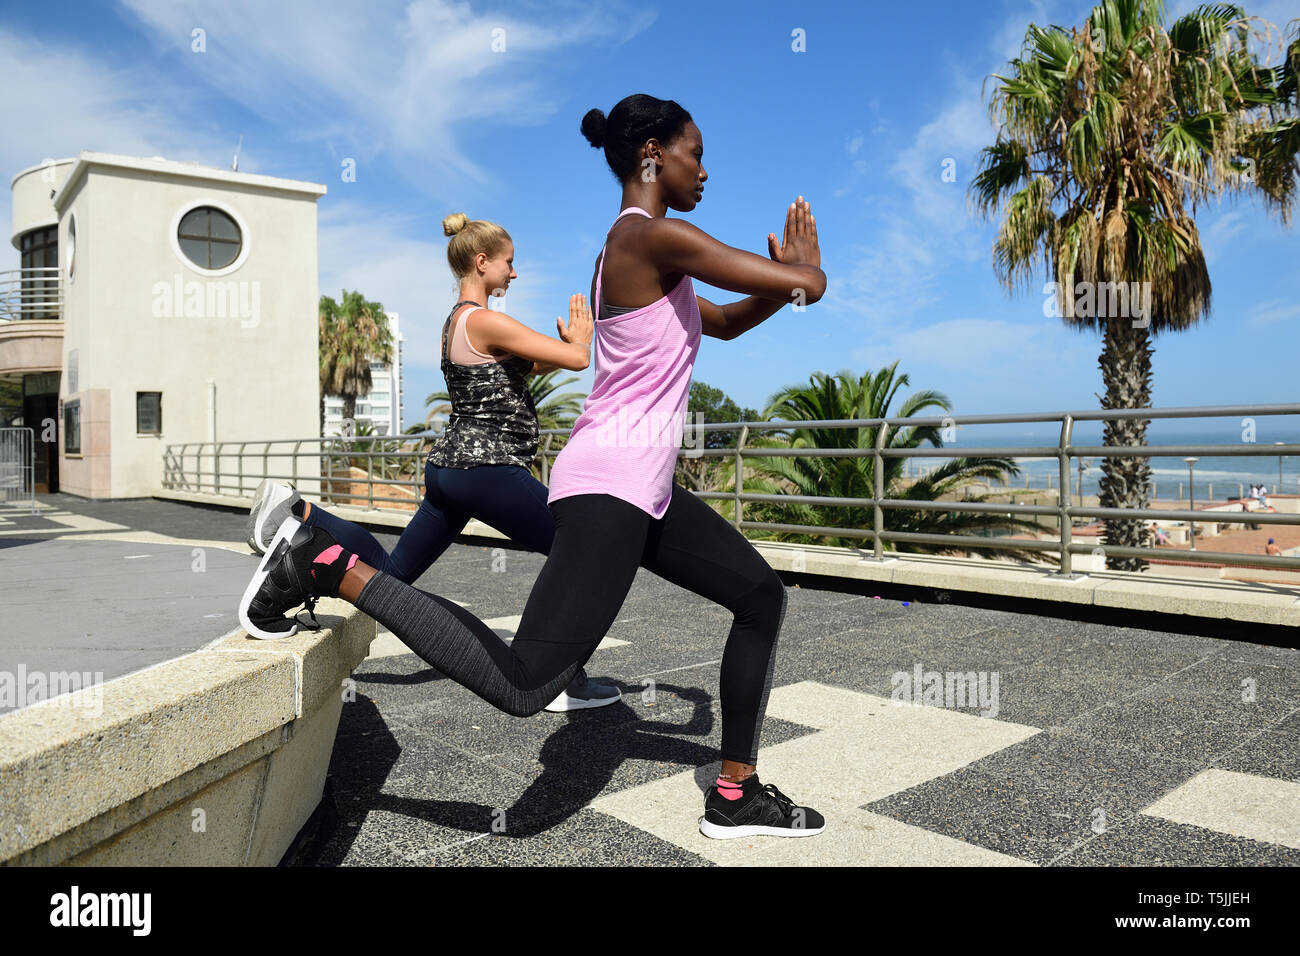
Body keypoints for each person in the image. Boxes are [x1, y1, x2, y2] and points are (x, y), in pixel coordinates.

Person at [242, 93, 828, 839]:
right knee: (525, 685)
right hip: (613, 486)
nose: (705, 170)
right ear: (652, 152)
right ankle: (328, 564)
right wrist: (804, 275)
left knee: (758, 596)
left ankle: (738, 794)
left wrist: (785, 289)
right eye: (695, 152)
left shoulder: (648, 259)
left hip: (638, 484)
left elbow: (734, 322)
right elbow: (802, 285)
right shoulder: (650, 238)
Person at [239, 213, 618, 711]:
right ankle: (561, 678)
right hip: (487, 471)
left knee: (392, 576)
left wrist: (565, 347)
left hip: (452, 472)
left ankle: (298, 516)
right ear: (483, 263)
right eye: (509, 263)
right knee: (582, 552)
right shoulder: (485, 319)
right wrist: (580, 339)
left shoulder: (457, 324)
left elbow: (535, 362)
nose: (515, 273)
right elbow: (574, 360)